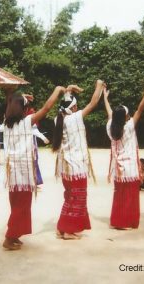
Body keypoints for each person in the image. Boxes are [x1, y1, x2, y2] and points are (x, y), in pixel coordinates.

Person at [2, 86, 67, 250]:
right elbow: (46, 107)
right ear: (23, 109)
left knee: (17, 205)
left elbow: (11, 103)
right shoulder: (26, 121)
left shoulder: (6, 123)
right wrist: (57, 90)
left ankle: (14, 235)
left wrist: (20, 97)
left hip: (13, 173)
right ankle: (9, 238)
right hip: (23, 173)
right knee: (21, 206)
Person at [52, 80, 105, 240]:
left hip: (66, 169)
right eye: (76, 106)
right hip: (76, 167)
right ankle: (68, 230)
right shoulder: (75, 118)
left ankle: (62, 227)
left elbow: (66, 106)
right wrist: (99, 86)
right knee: (77, 198)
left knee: (69, 197)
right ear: (73, 108)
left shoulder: (58, 120)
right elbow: (94, 102)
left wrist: (68, 91)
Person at [104, 80, 144, 229]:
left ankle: (118, 221)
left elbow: (109, 113)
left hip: (118, 169)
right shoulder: (129, 127)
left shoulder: (110, 127)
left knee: (119, 196)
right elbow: (140, 109)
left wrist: (105, 98)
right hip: (131, 169)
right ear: (126, 117)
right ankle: (127, 221)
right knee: (130, 197)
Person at [26, 107, 50, 188]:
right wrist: (44, 138)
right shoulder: (30, 121)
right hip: (31, 146)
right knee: (34, 163)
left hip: (28, 145)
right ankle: (33, 182)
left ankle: (32, 182)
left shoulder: (24, 121)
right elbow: (35, 131)